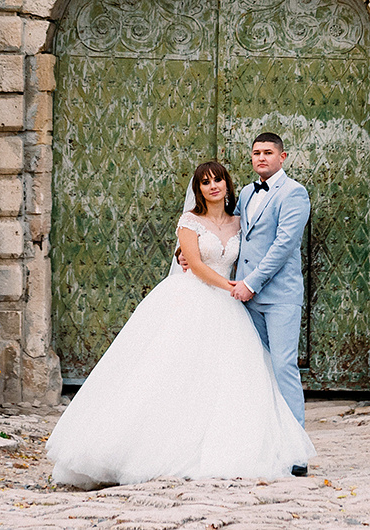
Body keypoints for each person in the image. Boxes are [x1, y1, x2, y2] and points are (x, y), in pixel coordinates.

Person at [45, 160, 314, 487]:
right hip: (195, 298)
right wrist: (225, 282)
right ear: (198, 189)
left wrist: (242, 285)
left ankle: (228, 442)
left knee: (226, 378)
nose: (213, 186)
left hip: (231, 308)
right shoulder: (190, 221)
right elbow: (196, 264)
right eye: (205, 182)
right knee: (173, 372)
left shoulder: (240, 221)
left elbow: (258, 249)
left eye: (218, 181)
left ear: (228, 185)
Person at [231, 133, 312, 431]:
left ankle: (296, 446)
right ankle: (264, 437)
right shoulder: (246, 193)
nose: (261, 158)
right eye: (256, 153)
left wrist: (251, 282)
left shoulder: (294, 193)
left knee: (283, 366)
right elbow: (232, 231)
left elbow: (284, 244)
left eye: (267, 152)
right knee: (257, 367)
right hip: (246, 298)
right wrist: (191, 249)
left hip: (279, 296)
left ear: (283, 157)